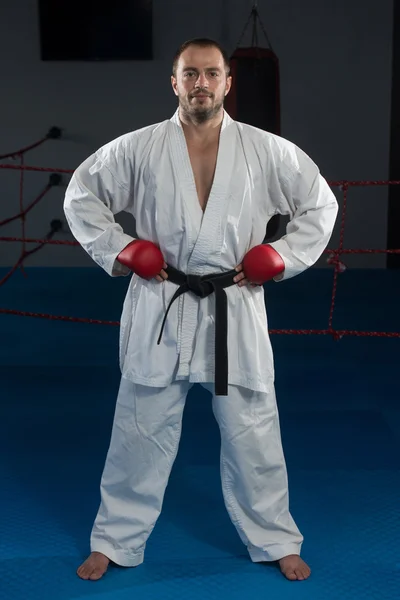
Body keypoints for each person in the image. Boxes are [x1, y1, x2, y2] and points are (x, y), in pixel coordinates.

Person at [63, 37, 338, 583]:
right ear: (174, 82)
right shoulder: (138, 148)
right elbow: (81, 194)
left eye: (211, 73)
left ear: (228, 82)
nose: (201, 84)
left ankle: (276, 538)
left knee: (254, 430)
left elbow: (320, 204)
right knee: (139, 426)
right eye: (190, 74)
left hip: (234, 303)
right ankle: (114, 540)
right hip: (162, 300)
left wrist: (278, 257)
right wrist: (123, 249)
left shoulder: (266, 150)